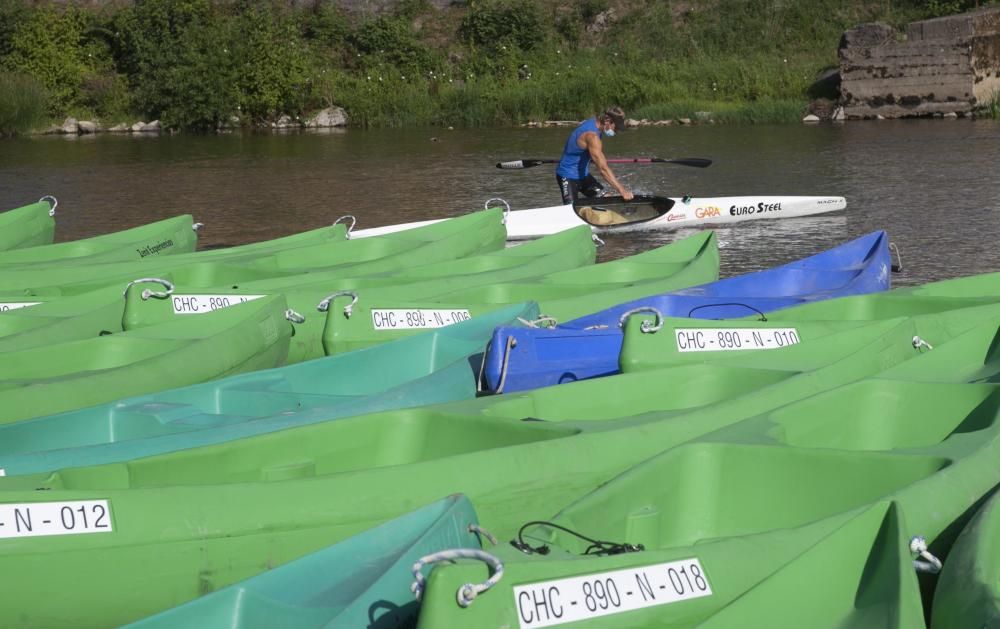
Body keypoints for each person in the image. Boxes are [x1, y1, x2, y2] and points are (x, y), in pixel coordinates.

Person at [555, 106, 634, 205]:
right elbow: (603, 169)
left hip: (584, 176)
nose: (616, 131)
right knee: (572, 210)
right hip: (567, 176)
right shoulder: (592, 136)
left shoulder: (595, 123)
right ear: (607, 121)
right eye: (616, 127)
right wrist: (622, 191)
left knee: (607, 201)